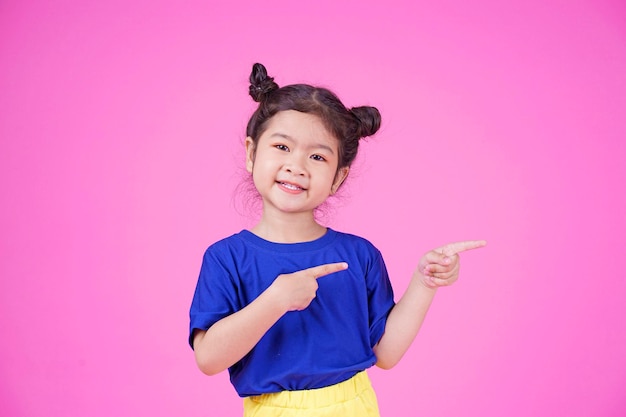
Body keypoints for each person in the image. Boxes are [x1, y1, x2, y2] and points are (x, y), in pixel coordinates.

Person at [189, 62, 486, 417]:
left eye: (317, 156)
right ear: (252, 153)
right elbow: (207, 359)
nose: (297, 166)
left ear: (338, 177)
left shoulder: (359, 254)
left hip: (355, 405)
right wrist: (276, 300)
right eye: (282, 147)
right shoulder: (226, 258)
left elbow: (386, 354)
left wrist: (424, 283)